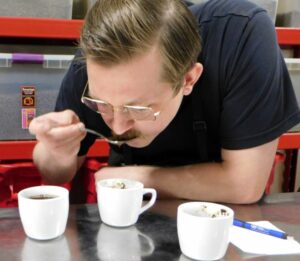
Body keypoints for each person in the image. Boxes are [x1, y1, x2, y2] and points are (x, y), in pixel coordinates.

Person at [29, 0, 300, 204]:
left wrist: (141, 178)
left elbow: (244, 185)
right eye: (102, 105)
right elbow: (56, 174)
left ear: (188, 79)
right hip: (134, 212)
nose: (119, 129)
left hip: (224, 219)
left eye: (137, 109)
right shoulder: (99, 55)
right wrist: (56, 152)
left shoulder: (240, 35)